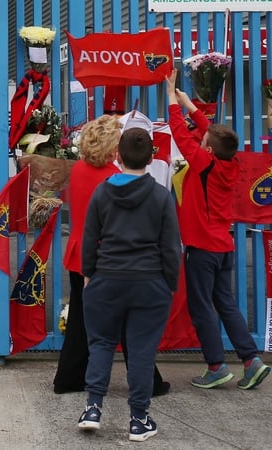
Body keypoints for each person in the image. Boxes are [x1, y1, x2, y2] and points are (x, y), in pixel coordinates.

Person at [165, 69, 271, 390]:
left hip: (201, 249)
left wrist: (171, 100)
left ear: (207, 150)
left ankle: (216, 366)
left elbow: (180, 136)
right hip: (223, 247)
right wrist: (189, 104)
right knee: (225, 303)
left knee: (201, 308)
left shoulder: (203, 163)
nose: (202, 137)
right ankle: (251, 361)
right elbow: (208, 131)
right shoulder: (230, 162)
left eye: (205, 140)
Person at [76, 127, 182, 442]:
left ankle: (93, 408)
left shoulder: (102, 191)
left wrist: (88, 274)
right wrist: (170, 284)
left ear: (118, 156)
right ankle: (138, 419)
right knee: (141, 351)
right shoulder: (161, 196)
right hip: (150, 282)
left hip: (106, 279)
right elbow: (171, 247)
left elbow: (89, 239)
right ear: (151, 158)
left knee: (101, 344)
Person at [53, 115, 170, 397]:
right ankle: (148, 381)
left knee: (81, 321)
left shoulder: (79, 169)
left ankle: (68, 378)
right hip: (107, 258)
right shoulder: (111, 179)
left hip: (80, 253)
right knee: (131, 321)